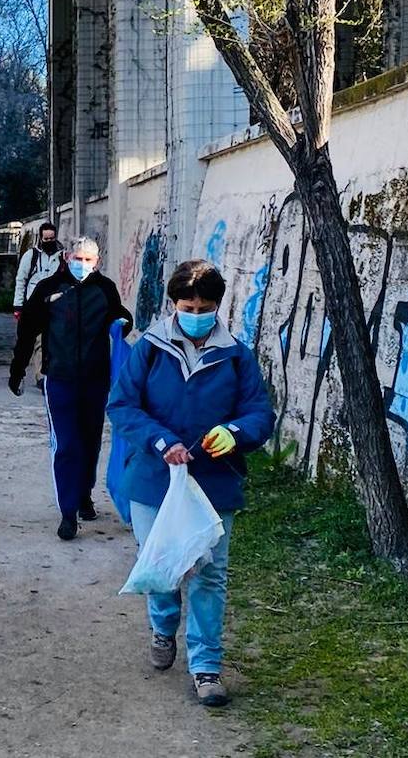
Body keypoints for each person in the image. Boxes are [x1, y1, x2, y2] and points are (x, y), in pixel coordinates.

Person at [106, 260, 275, 708]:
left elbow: (260, 413)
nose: (196, 313)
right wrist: (161, 441)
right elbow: (122, 405)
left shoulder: (236, 354)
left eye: (205, 306)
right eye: (188, 305)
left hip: (215, 482)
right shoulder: (150, 347)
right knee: (162, 565)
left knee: (209, 574)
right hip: (154, 480)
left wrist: (236, 433)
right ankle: (163, 628)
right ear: (174, 305)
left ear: (218, 306)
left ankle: (206, 666)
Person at [9, 237, 132, 540]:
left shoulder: (105, 288)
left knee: (90, 441)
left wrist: (123, 322)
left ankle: (84, 495)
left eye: (89, 260)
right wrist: (18, 369)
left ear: (97, 262)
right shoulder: (48, 289)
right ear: (67, 257)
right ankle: (67, 512)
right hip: (60, 377)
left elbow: (121, 316)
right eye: (77, 258)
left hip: (95, 378)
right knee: (66, 444)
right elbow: (27, 331)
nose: (82, 264)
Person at [12, 222, 65, 390]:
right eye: (46, 238)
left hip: (55, 304)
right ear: (40, 238)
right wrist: (18, 306)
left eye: (52, 238)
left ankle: (51, 371)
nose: (49, 241)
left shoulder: (62, 256)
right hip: (33, 305)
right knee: (38, 341)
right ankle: (41, 376)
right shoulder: (31, 256)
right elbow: (21, 280)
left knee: (52, 339)